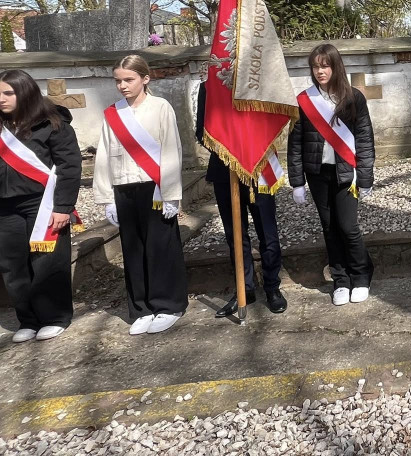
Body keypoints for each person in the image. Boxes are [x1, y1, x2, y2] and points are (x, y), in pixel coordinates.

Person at [94, 55, 188, 335]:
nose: (122, 85)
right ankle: (141, 307)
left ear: (145, 79)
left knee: (161, 248)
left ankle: (168, 304)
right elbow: (102, 154)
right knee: (132, 250)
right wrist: (106, 196)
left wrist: (171, 193)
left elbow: (172, 149)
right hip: (124, 187)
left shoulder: (160, 107)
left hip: (155, 187)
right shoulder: (113, 113)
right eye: (118, 80)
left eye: (128, 79)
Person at [288, 44, 375, 306]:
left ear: (335, 66)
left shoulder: (353, 97)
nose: (320, 71)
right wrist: (297, 182)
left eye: (325, 65)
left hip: (346, 172)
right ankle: (340, 280)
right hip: (317, 173)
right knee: (329, 228)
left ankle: (360, 276)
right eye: (315, 66)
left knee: (348, 228)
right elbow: (295, 143)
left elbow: (365, 139)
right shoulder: (304, 101)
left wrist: (366, 175)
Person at [0, 70, 83, 343]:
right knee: (13, 265)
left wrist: (63, 206)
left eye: (8, 93)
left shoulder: (53, 123)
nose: (1, 99)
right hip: (5, 205)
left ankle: (55, 316)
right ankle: (29, 319)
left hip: (43, 202)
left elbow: (69, 167)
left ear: (25, 92)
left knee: (47, 261)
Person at [195, 80, 287, 317]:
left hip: (259, 167)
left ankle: (272, 287)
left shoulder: (261, 81)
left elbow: (274, 120)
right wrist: (231, 152)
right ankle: (244, 288)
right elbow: (201, 131)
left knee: (268, 232)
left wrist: (248, 152)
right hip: (225, 170)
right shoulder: (209, 87)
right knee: (235, 234)